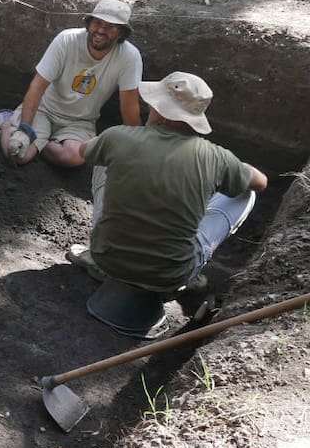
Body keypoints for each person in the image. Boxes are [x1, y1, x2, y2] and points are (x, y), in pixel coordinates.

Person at [68, 71, 267, 291]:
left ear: (160, 111)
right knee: (246, 194)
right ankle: (186, 275)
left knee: (102, 156)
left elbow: (84, 149)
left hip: (107, 260)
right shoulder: (216, 158)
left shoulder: (117, 138)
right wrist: (238, 167)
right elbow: (261, 182)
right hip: (168, 277)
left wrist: (125, 144)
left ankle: (100, 260)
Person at [0, 0, 143, 166]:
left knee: (73, 158)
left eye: (110, 27)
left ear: (121, 33)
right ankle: (7, 121)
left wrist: (137, 148)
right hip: (44, 110)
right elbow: (38, 86)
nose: (101, 31)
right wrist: (25, 129)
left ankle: (32, 139)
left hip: (80, 121)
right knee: (17, 156)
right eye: (97, 23)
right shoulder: (67, 40)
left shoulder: (129, 57)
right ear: (89, 23)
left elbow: (129, 106)